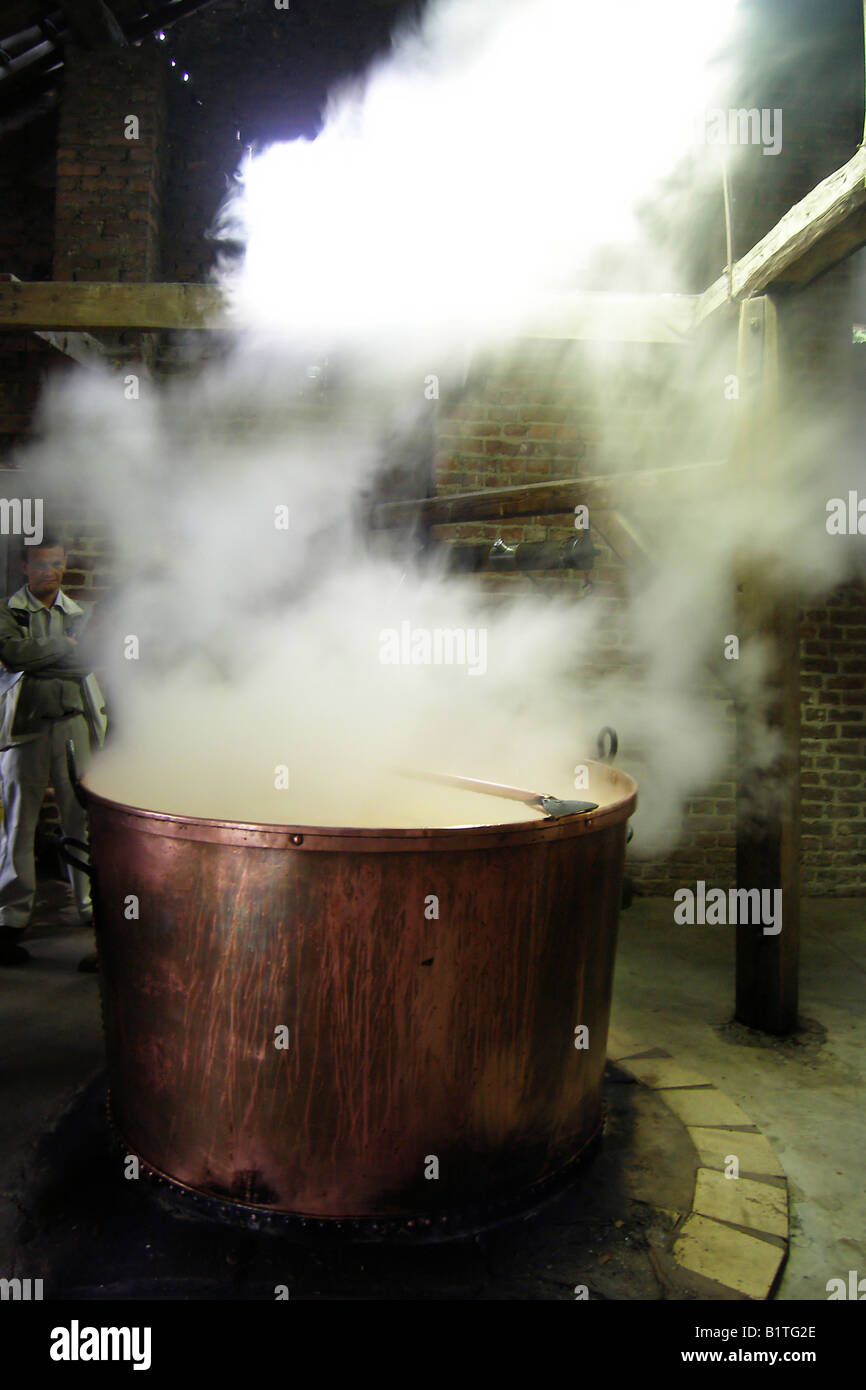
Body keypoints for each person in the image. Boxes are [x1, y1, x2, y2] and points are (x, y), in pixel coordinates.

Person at [0, 534, 107, 967]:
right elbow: (11, 653)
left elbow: (86, 663)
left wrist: (36, 657)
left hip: (73, 723)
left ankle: (89, 906)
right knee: (18, 824)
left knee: (79, 817)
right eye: (42, 565)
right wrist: (63, 647)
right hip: (24, 729)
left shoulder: (83, 612)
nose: (51, 572)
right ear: (25, 568)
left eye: (58, 564)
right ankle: (10, 916)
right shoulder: (7, 611)